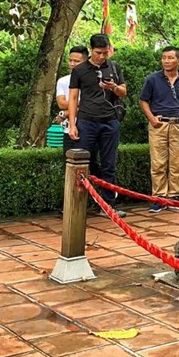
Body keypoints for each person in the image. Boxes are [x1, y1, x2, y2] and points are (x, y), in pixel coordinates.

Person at [68, 33, 128, 218]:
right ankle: (78, 204)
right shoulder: (80, 70)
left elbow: (124, 91)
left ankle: (108, 205)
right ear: (91, 50)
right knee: (84, 162)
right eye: (98, 52)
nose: (102, 56)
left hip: (109, 121)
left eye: (105, 52)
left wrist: (113, 88)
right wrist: (72, 123)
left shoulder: (114, 67)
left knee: (109, 164)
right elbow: (73, 97)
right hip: (86, 121)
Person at [139, 46, 179, 212]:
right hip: (159, 125)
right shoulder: (152, 79)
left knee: (177, 163)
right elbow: (143, 101)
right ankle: (159, 198)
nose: (166, 61)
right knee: (158, 163)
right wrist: (151, 118)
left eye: (170, 58)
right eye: (164, 57)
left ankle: (174, 197)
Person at [56, 46, 89, 152]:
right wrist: (80, 104)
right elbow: (61, 103)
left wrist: (66, 113)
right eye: (70, 60)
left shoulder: (92, 80)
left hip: (89, 129)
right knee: (69, 162)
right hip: (69, 129)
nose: (72, 64)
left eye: (77, 61)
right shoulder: (63, 81)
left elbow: (92, 107)